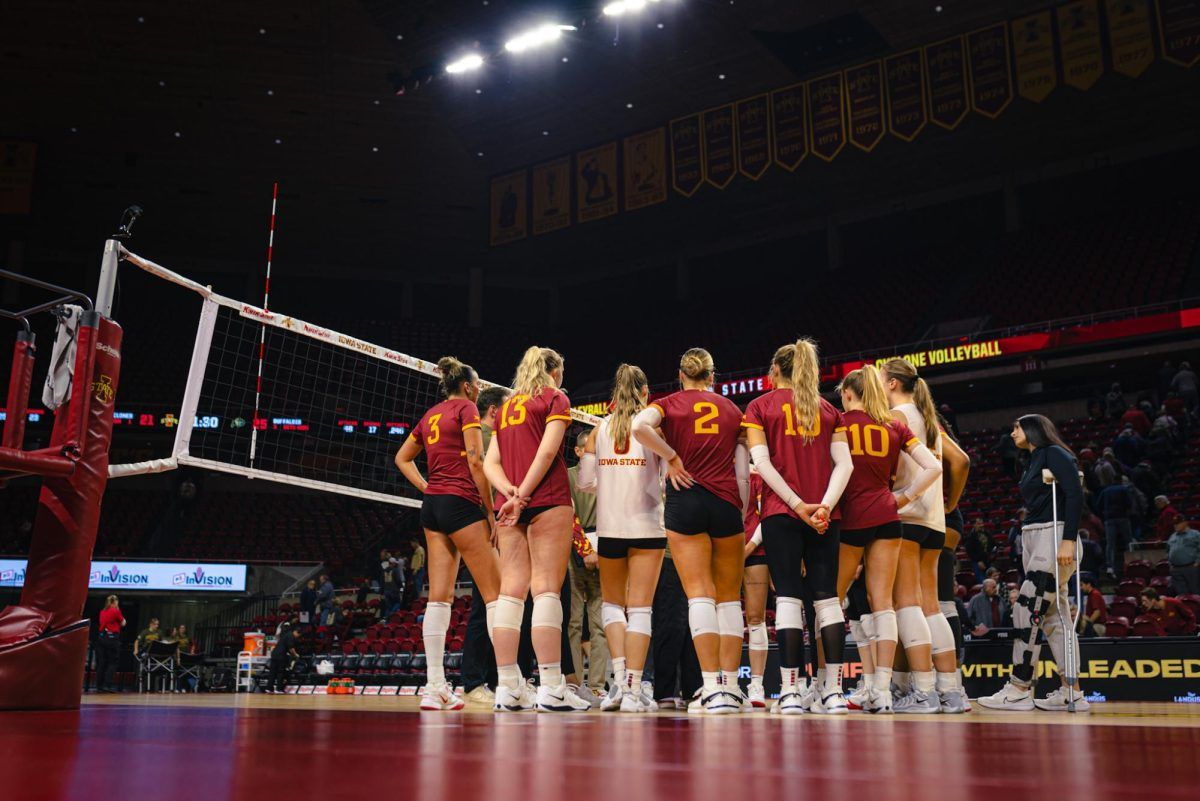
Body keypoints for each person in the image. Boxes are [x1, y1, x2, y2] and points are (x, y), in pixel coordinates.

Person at [632, 347, 750, 714]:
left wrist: (671, 456)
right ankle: (732, 688)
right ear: (712, 376)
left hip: (685, 499)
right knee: (729, 597)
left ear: (681, 374)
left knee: (699, 594)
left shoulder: (669, 403)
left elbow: (638, 427)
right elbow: (744, 470)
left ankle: (711, 687)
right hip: (726, 501)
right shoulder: (733, 410)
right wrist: (741, 507)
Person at [744, 339, 854, 713]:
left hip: (782, 513)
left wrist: (797, 506)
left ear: (775, 371)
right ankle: (834, 693)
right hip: (826, 516)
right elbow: (846, 466)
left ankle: (790, 692)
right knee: (827, 600)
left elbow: (762, 462)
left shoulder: (760, 406)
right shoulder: (828, 410)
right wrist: (823, 506)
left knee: (789, 598)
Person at [483, 346, 590, 712]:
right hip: (545, 498)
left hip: (509, 503)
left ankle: (508, 687)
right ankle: (551, 687)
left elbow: (489, 463)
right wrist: (524, 496)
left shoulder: (508, 406)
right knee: (546, 589)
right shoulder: (555, 398)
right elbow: (547, 453)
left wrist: (508, 494)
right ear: (554, 371)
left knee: (511, 592)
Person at [396, 356, 502, 712]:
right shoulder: (468, 409)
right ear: (471, 387)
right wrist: (489, 511)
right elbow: (476, 460)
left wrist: (428, 486)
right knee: (496, 596)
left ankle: (435, 687)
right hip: (461, 504)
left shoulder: (430, 415)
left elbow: (401, 458)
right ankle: (511, 683)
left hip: (433, 506)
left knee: (438, 599)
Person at [833, 365, 941, 714]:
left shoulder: (838, 422)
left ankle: (829, 687)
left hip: (852, 517)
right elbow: (934, 467)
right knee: (884, 604)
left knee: (832, 601)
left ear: (849, 393)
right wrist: (904, 497)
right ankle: (881, 690)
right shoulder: (895, 425)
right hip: (888, 516)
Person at [979, 415, 1087, 712]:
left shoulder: (1054, 452)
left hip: (1053, 537)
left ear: (1032, 429)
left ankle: (1019, 688)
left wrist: (1067, 539)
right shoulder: (1033, 459)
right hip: (1037, 539)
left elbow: (1075, 493)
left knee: (1026, 609)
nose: (1012, 432)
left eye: (1016, 427)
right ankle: (1071, 690)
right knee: (1054, 617)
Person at [881, 358, 968, 713]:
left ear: (890, 384)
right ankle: (950, 691)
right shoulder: (930, 420)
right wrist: (949, 504)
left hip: (906, 516)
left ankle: (924, 691)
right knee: (932, 605)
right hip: (934, 522)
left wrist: (902, 496)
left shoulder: (897, 418)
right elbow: (961, 462)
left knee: (907, 603)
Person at [577, 364, 665, 713]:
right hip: (646, 527)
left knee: (612, 606)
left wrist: (609, 485)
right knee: (641, 607)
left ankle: (617, 684)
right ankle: (632, 690)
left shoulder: (600, 428)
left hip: (610, 529)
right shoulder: (653, 427)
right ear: (645, 393)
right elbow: (667, 475)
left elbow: (584, 482)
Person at [459, 385, 510, 706]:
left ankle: (491, 680)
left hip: (491, 528)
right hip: (488, 530)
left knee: (498, 607)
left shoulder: (482, 438)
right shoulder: (487, 438)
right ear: (494, 411)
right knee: (485, 608)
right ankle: (475, 681)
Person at [567, 429, 609, 699]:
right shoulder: (568, 476)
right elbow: (569, 515)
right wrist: (585, 550)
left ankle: (597, 685)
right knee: (572, 621)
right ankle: (572, 683)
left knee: (600, 623)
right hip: (572, 550)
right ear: (578, 451)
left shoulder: (608, 474)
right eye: (588, 449)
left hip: (604, 546)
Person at [739, 470, 769, 709]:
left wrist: (748, 548)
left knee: (756, 617)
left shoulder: (756, 475)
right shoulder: (714, 468)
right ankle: (721, 682)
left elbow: (765, 516)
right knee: (721, 613)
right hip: (721, 550)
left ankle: (756, 685)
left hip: (754, 550)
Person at [1098, 475, 1134, 579]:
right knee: (1128, 541)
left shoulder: (1105, 491)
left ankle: (1110, 566)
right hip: (1122, 517)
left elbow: (1098, 505)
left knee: (1110, 544)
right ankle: (1132, 563)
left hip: (1109, 518)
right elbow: (1129, 503)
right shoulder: (1124, 489)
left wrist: (1104, 515)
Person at [95, 594, 125, 692]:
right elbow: (123, 622)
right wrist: (118, 610)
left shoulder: (102, 611)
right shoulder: (115, 611)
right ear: (115, 602)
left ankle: (99, 686)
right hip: (112, 637)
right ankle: (107, 685)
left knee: (102, 662)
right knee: (113, 661)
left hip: (101, 636)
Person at [1167, 515, 1200, 596]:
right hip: (1175, 569)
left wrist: (1198, 562)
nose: (1175, 525)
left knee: (1195, 593)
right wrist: (1170, 563)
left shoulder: (1195, 534)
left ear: (1185, 522)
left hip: (1190, 567)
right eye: (1174, 523)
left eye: (1178, 523)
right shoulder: (1172, 536)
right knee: (1181, 595)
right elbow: (1168, 551)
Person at [266, 623, 300, 694]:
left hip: (274, 654)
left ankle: (269, 688)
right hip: (280, 655)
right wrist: (296, 655)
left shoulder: (285, 635)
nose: (298, 637)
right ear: (296, 632)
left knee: (272, 672)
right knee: (280, 672)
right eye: (298, 635)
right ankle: (279, 689)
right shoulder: (291, 636)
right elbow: (291, 649)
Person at [378, 549, 403, 619]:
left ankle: (386, 619)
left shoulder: (384, 571)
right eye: (394, 563)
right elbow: (398, 580)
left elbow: (382, 582)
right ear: (392, 563)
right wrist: (400, 587)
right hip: (394, 591)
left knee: (388, 606)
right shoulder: (395, 570)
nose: (395, 564)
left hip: (386, 591)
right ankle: (391, 615)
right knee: (398, 603)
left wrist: (381, 592)